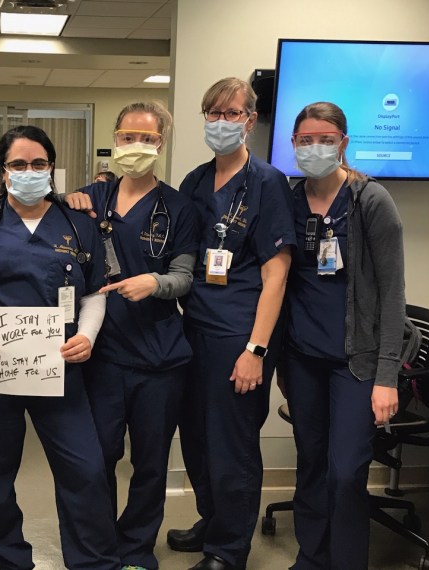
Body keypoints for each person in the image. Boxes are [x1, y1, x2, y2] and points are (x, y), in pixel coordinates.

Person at [0, 125, 121, 570]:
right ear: (3, 171)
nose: (29, 172)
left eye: (38, 164)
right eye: (18, 164)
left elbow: (94, 293)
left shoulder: (79, 225)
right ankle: (10, 560)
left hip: (60, 368)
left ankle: (92, 562)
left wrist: (87, 336)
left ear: (52, 168)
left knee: (86, 468)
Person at [65, 101, 199, 570]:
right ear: (115, 138)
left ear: (160, 143)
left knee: (150, 463)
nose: (135, 147)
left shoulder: (179, 207)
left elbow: (184, 276)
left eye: (146, 139)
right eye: (127, 137)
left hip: (159, 357)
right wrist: (69, 202)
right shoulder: (88, 200)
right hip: (102, 355)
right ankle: (101, 547)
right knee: (98, 456)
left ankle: (137, 548)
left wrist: (155, 283)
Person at [168, 77, 296, 570]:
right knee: (197, 437)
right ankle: (211, 520)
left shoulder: (267, 183)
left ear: (251, 119)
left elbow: (277, 272)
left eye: (232, 114)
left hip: (240, 334)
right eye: (213, 114)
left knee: (232, 446)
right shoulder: (196, 181)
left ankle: (229, 549)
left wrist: (256, 350)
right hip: (195, 329)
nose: (221, 123)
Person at [281, 102, 405, 570]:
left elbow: (393, 292)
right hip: (303, 359)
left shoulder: (370, 200)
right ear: (293, 145)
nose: (315, 147)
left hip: (357, 363)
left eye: (326, 139)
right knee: (311, 464)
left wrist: (388, 376)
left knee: (347, 471)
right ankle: (310, 559)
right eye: (306, 140)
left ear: (344, 143)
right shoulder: (290, 200)